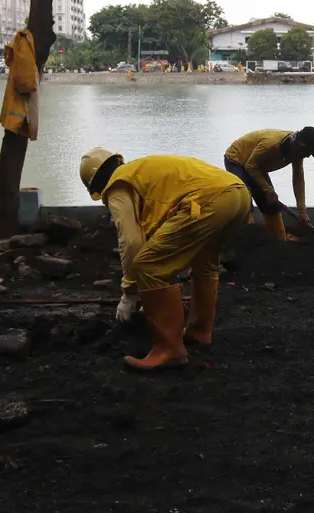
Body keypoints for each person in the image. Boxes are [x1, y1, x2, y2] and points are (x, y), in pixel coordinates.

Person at [79, 148, 251, 370]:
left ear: (96, 184)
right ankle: (199, 332)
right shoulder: (139, 173)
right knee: (204, 262)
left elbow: (131, 242)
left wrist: (130, 292)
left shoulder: (116, 187)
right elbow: (161, 236)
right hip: (237, 194)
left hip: (208, 199)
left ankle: (169, 350)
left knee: (148, 266)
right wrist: (152, 298)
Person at [223, 127, 314, 241]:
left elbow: (298, 179)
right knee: (245, 201)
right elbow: (250, 166)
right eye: (309, 152)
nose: (308, 156)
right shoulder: (271, 144)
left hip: (258, 165)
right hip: (237, 159)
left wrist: (302, 211)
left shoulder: (297, 152)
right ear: (301, 144)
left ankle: (279, 241)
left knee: (271, 205)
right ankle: (246, 240)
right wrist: (268, 190)